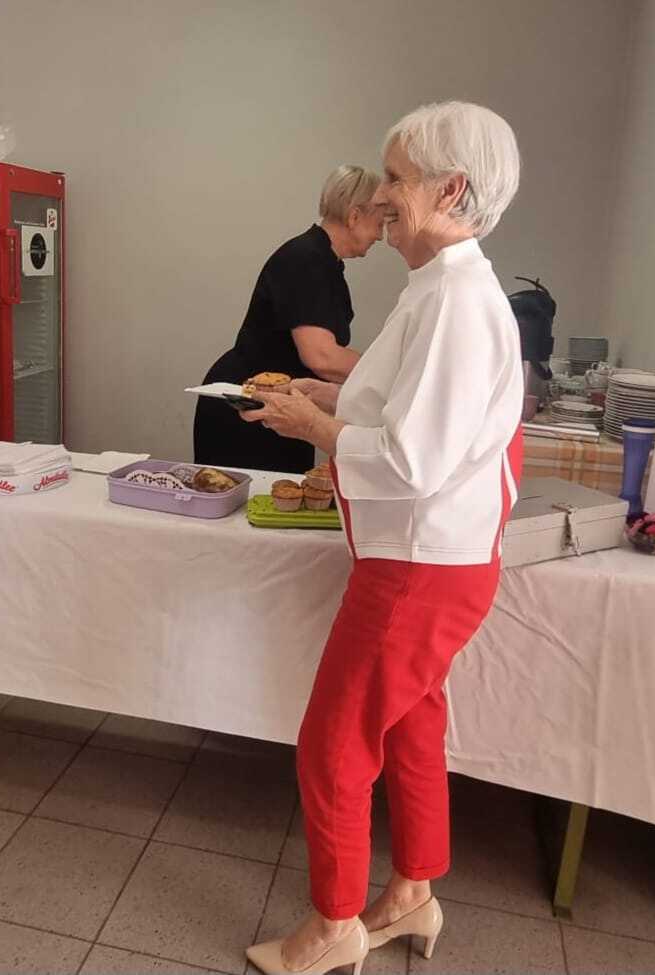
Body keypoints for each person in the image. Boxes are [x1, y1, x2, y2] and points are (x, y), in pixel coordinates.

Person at [242, 102, 524, 974]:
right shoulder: (438, 289)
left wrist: (318, 430)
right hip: (433, 558)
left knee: (333, 743)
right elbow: (402, 407)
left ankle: (333, 925)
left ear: (452, 191)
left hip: (417, 567)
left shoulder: (458, 302)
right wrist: (324, 398)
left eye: (396, 179)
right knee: (410, 725)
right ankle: (410, 893)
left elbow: (413, 457)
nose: (381, 198)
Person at [192, 166, 384, 473]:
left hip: (279, 403)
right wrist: (389, 377)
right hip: (250, 408)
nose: (381, 236)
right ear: (354, 216)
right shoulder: (307, 260)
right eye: (379, 224)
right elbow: (322, 357)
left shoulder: (323, 261)